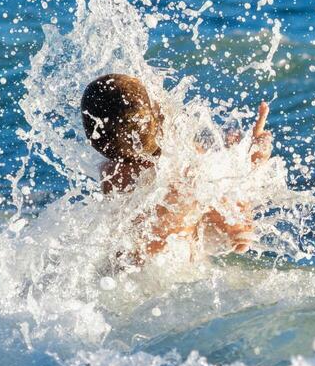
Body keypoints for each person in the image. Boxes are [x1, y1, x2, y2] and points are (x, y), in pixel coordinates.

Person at [80, 73, 271, 259]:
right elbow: (240, 241)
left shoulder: (110, 172)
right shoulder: (187, 171)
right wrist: (255, 161)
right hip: (172, 280)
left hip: (118, 274)